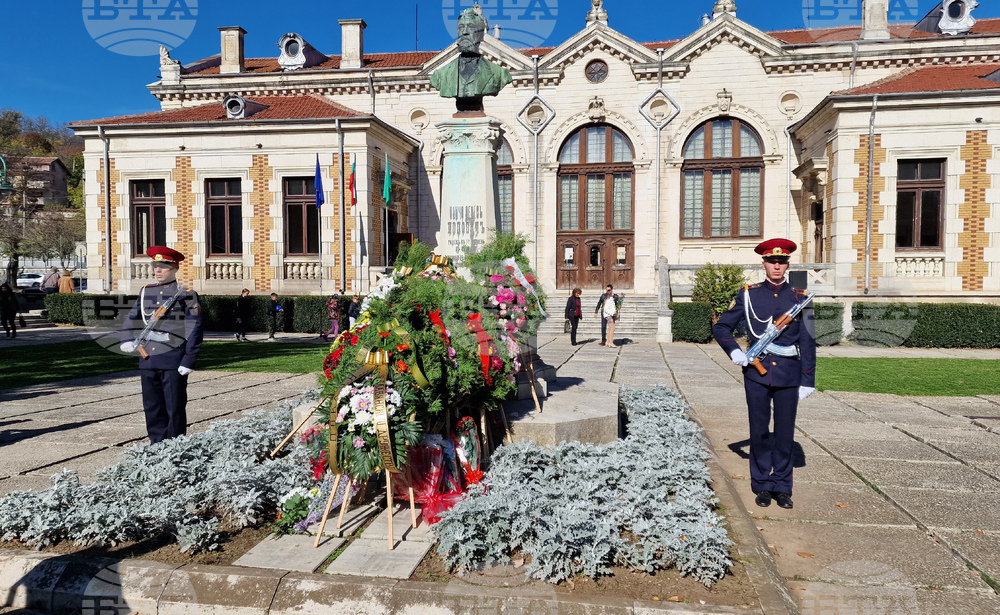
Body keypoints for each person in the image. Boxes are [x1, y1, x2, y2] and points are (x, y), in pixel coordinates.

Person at [712, 238, 816, 510]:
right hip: (756, 375)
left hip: (789, 376)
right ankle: (760, 484)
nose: (777, 266)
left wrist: (808, 379)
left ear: (787, 264)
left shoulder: (800, 299)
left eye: (782, 262)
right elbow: (722, 327)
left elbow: (807, 341)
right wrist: (734, 351)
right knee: (758, 431)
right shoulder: (748, 294)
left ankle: (782, 485)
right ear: (764, 264)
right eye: (772, 261)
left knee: (784, 433)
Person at [119, 246, 203, 444]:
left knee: (174, 407)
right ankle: (156, 444)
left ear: (174, 268)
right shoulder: (146, 291)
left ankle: (174, 446)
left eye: (163, 266)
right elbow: (131, 318)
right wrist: (126, 339)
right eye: (156, 266)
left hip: (174, 359)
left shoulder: (186, 295)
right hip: (148, 358)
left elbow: (194, 328)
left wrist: (189, 358)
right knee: (152, 406)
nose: (158, 270)